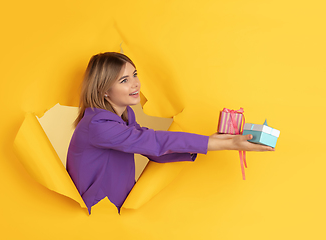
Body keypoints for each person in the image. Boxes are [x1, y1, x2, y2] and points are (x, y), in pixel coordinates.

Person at [67, 52, 274, 214]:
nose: (136, 83)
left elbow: (151, 148)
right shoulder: (98, 124)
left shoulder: (124, 117)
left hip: (115, 210)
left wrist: (210, 143)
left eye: (135, 75)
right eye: (124, 80)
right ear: (104, 90)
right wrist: (218, 143)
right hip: (95, 213)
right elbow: (151, 141)